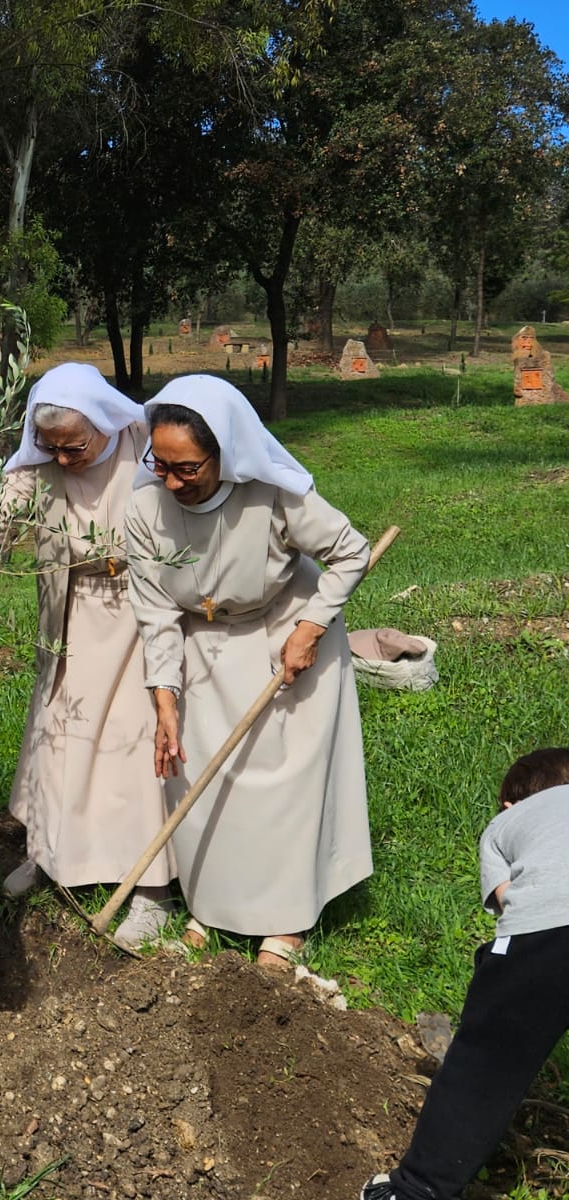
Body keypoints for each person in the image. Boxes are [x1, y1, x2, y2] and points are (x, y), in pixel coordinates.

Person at [124, 374, 372, 967]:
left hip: (283, 637)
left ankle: (283, 922)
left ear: (226, 454)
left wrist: (311, 629)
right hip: (201, 648)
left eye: (188, 469)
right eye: (161, 464)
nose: (172, 481)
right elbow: (155, 613)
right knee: (206, 778)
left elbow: (350, 551)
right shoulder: (143, 509)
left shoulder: (273, 494)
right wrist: (163, 700)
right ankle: (213, 907)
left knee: (279, 787)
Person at [0, 363, 174, 949]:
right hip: (67, 618)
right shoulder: (39, 461)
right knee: (59, 736)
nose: (64, 460)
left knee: (133, 739)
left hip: (137, 619)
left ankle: (151, 888)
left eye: (75, 448)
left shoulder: (144, 445)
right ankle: (50, 854)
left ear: (104, 423)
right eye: (52, 448)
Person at [361, 748, 569, 1200]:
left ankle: (419, 1189)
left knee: (485, 1064)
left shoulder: (504, 825)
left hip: (552, 930)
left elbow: (509, 895)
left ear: (510, 805)